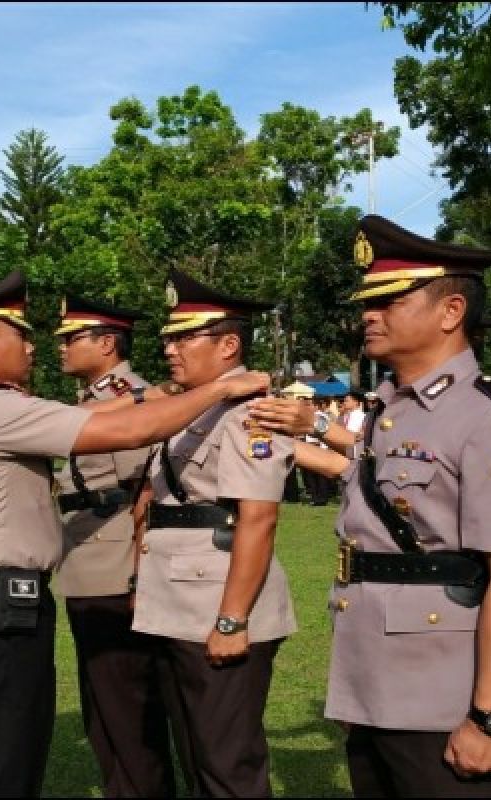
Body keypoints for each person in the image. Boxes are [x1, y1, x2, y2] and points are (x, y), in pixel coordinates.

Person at [0, 272, 271, 797]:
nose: (34, 346)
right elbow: (129, 431)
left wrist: (164, 392)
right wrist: (219, 387)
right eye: (22, 335)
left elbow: (93, 414)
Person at [249, 214, 491, 796]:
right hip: (378, 681)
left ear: (451, 312)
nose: (370, 313)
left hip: (449, 693)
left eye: (391, 299)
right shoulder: (392, 410)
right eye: (369, 300)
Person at [131, 268, 298, 798]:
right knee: (197, 755)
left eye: (184, 337)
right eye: (167, 338)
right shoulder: (194, 409)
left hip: (219, 605)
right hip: (176, 601)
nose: (170, 349)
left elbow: (258, 517)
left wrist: (232, 619)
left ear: (229, 344)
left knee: (228, 764)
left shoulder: (251, 416)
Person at [52, 294, 190, 798]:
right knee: (104, 708)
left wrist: (138, 572)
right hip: (88, 559)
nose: (62, 347)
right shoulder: (94, 400)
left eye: (72, 338)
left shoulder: (139, 400)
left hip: (115, 566)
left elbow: (145, 494)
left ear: (107, 343)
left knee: (128, 707)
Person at [302, 395, 335, 505]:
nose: (308, 406)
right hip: (312, 447)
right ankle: (316, 497)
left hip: (318, 448)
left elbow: (321, 434)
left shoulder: (321, 417)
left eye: (310, 404)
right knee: (312, 475)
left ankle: (320, 498)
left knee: (319, 476)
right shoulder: (313, 416)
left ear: (316, 406)